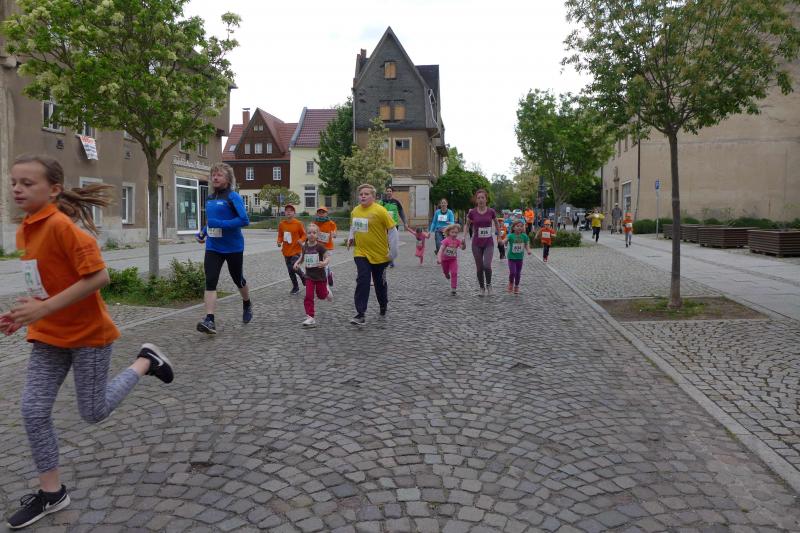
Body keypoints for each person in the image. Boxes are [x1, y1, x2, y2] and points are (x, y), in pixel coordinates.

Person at [2, 155, 174, 530]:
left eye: (27, 183)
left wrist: (43, 307)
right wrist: (24, 314)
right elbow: (43, 283)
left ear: (53, 190)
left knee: (93, 412)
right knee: (33, 411)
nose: (17, 189)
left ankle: (145, 361)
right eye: (14, 182)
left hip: (87, 337)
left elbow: (99, 278)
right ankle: (52, 493)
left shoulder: (64, 229)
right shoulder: (25, 231)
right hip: (48, 335)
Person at [195, 162, 251, 335]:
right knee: (210, 280)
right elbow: (211, 222)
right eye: (213, 175)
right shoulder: (210, 198)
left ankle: (247, 302)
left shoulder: (233, 197)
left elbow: (244, 220)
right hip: (213, 247)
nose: (215, 177)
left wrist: (221, 224)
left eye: (219, 175)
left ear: (227, 179)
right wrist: (203, 232)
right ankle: (209, 320)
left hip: (233, 247)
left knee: (237, 279)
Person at [347, 183, 399, 326]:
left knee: (379, 284)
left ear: (374, 197)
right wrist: (351, 238)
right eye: (361, 194)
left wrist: (393, 253)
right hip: (361, 252)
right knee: (362, 280)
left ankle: (383, 304)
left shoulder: (380, 211)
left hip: (380, 255)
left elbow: (392, 230)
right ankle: (360, 314)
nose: (363, 196)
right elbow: (353, 226)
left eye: (366, 194)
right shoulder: (355, 211)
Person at [462, 189, 500, 296]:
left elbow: (497, 223)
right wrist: (464, 237)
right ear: (476, 200)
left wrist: (499, 237)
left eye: (482, 198)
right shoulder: (472, 212)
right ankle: (482, 288)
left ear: (486, 199)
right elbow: (467, 225)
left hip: (488, 243)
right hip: (476, 243)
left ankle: (489, 285)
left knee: (487, 265)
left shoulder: (491, 211)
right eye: (478, 198)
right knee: (479, 267)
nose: (480, 200)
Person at [294, 223, 332, 328]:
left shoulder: (320, 247)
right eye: (309, 232)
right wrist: (297, 263)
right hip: (309, 277)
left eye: (314, 233)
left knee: (321, 295)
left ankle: (327, 292)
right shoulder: (305, 246)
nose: (311, 234)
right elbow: (302, 258)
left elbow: (328, 257)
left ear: (317, 235)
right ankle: (310, 317)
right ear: (306, 234)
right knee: (308, 296)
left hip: (320, 276)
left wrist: (324, 263)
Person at [277, 204, 307, 295]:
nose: (289, 212)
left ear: (294, 213)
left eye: (291, 210)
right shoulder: (282, 224)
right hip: (286, 251)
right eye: (287, 210)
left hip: (296, 250)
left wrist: (301, 240)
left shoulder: (298, 223)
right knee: (290, 271)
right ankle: (295, 287)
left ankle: (303, 277)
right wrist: (279, 241)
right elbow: (280, 235)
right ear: (284, 212)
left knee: (294, 266)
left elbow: (304, 235)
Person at [501, 220, 532, 293]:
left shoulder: (524, 236)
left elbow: (526, 244)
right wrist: (502, 242)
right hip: (511, 258)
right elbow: (505, 240)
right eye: (517, 226)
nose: (519, 227)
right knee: (512, 272)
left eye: (521, 226)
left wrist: (528, 250)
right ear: (513, 228)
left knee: (518, 273)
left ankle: (516, 286)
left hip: (520, 258)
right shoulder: (510, 235)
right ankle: (511, 283)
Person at [380, 186, 407, 268]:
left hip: (393, 226)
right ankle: (386, 260)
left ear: (392, 192)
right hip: (384, 225)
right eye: (387, 191)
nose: (389, 192)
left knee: (392, 243)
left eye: (390, 191)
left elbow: (401, 212)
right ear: (385, 192)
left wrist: (405, 222)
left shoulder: (396, 202)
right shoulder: (382, 202)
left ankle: (391, 260)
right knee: (385, 243)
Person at [313, 206, 337, 287]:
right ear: (317, 214)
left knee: (324, 266)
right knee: (321, 264)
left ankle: (325, 285)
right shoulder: (315, 223)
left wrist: (334, 234)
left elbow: (335, 234)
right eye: (319, 212)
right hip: (318, 247)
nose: (321, 214)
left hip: (328, 247)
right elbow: (311, 232)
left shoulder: (331, 223)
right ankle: (330, 274)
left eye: (323, 212)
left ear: (326, 213)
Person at [436, 224, 462, 295]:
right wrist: (439, 258)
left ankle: (453, 288)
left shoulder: (457, 241)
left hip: (453, 260)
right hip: (444, 260)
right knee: (445, 271)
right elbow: (440, 250)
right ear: (449, 232)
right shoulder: (446, 241)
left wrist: (464, 244)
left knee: (454, 272)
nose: (454, 234)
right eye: (452, 232)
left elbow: (463, 248)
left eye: (456, 233)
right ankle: (446, 273)